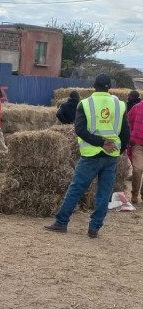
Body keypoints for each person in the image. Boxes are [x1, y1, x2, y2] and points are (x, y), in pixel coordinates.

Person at [44, 73, 130, 238]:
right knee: (104, 194)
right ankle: (94, 228)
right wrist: (119, 151)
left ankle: (61, 222)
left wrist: (99, 142)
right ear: (109, 87)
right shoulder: (120, 105)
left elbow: (80, 130)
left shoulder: (85, 103)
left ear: (93, 86)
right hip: (110, 157)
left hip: (91, 155)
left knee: (76, 189)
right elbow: (126, 132)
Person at [127, 99, 143, 203]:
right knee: (138, 169)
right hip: (138, 143)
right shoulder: (137, 107)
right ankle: (134, 193)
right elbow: (128, 122)